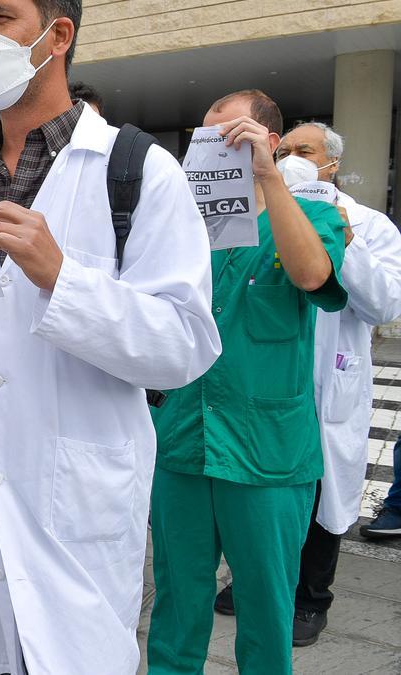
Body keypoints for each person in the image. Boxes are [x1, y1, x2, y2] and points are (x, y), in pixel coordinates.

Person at [0, 1, 221, 671]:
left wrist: (62, 279)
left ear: (58, 36)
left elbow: (183, 347)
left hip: (74, 501)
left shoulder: (137, 170)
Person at [147, 91, 348, 673]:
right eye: (204, 138)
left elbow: (312, 275)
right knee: (177, 606)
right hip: (184, 441)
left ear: (268, 141)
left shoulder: (310, 214)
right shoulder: (186, 224)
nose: (215, 149)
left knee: (265, 611)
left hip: (268, 454)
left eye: (228, 135)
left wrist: (271, 181)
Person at [212, 121, 401, 645]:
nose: (293, 157)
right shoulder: (256, 213)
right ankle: (255, 580)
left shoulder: (371, 223)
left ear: (330, 164)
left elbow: (385, 303)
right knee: (257, 481)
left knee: (321, 490)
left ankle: (311, 598)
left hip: (327, 379)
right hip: (265, 375)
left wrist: (347, 239)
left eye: (305, 151)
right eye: (285, 149)